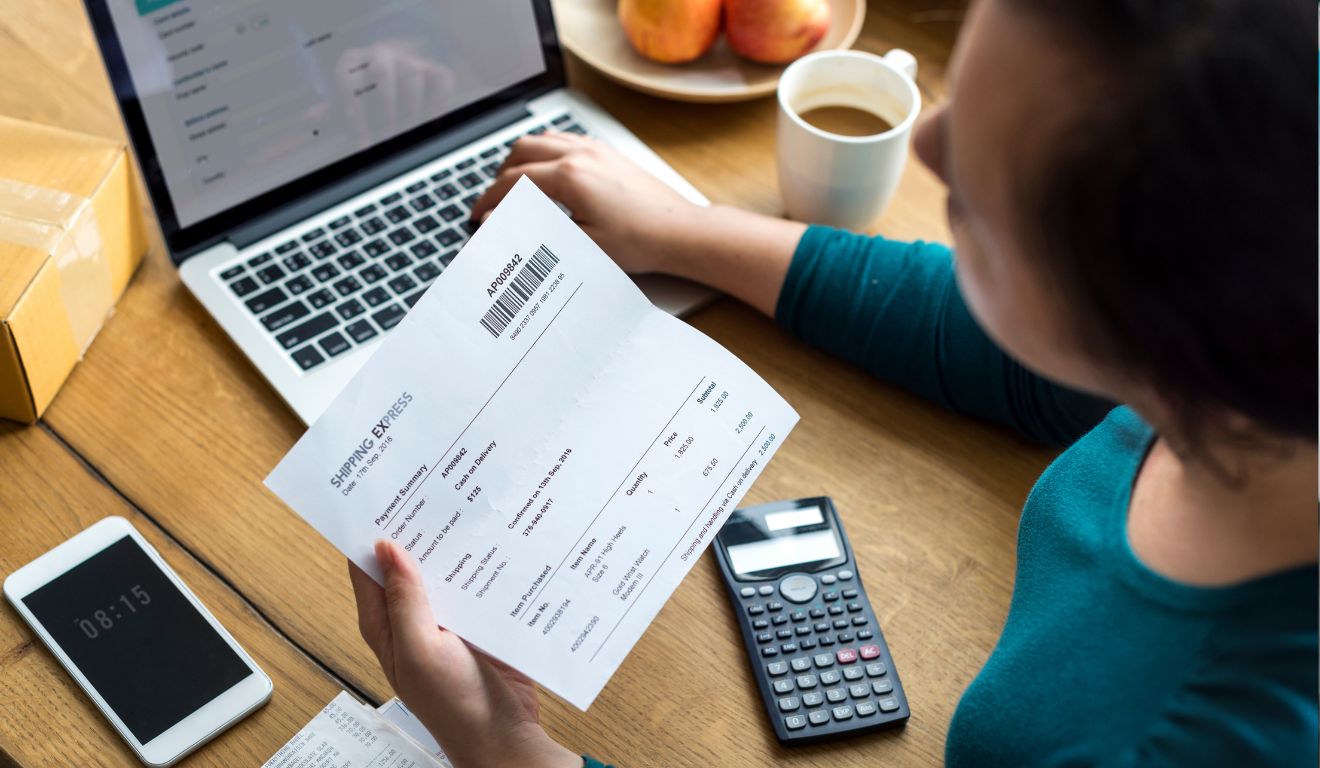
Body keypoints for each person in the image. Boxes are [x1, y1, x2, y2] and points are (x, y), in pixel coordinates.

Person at [348, 0, 1318, 765]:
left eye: (985, 181)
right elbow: (1014, 351)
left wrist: (503, 748)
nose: (930, 145)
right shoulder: (1258, 360)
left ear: (1168, 295)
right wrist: (678, 230)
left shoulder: (1222, 734)